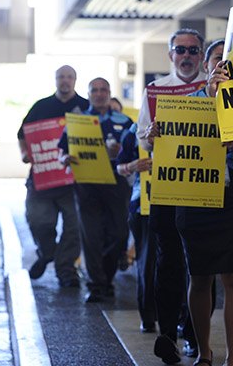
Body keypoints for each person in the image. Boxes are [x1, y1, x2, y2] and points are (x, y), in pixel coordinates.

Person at [176, 38, 233, 366]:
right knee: (200, 275)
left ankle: (231, 358)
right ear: (207, 66)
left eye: (230, 60)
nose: (224, 65)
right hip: (196, 197)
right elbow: (173, 151)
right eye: (218, 59)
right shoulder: (188, 103)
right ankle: (204, 352)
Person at [138, 28, 206, 364]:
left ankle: (194, 335)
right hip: (167, 187)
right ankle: (167, 335)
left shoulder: (213, 87)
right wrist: (150, 136)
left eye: (193, 50)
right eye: (181, 50)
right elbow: (143, 136)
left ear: (202, 55)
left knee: (200, 266)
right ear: (170, 55)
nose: (187, 56)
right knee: (168, 263)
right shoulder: (155, 90)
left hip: (204, 188)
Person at [57, 77, 134, 303]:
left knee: (119, 234)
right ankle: (97, 284)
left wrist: (121, 152)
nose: (99, 94)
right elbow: (61, 151)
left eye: (104, 90)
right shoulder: (77, 121)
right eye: (94, 90)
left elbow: (136, 153)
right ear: (88, 94)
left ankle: (107, 277)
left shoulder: (125, 121)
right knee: (91, 236)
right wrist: (65, 159)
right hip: (87, 184)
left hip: (116, 183)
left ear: (110, 93)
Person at [17, 65, 87, 287]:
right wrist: (25, 154)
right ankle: (48, 252)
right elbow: (22, 134)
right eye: (61, 77)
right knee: (38, 220)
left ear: (75, 80)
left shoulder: (85, 107)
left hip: (73, 181)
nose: (65, 81)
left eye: (69, 77)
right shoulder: (41, 106)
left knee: (74, 227)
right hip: (42, 179)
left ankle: (66, 270)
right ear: (55, 80)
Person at [116, 122, 156, 332]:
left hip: (179, 203)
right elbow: (120, 166)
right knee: (147, 262)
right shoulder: (135, 130)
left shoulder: (189, 116)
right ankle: (148, 316)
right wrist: (133, 166)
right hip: (143, 206)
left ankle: (180, 316)